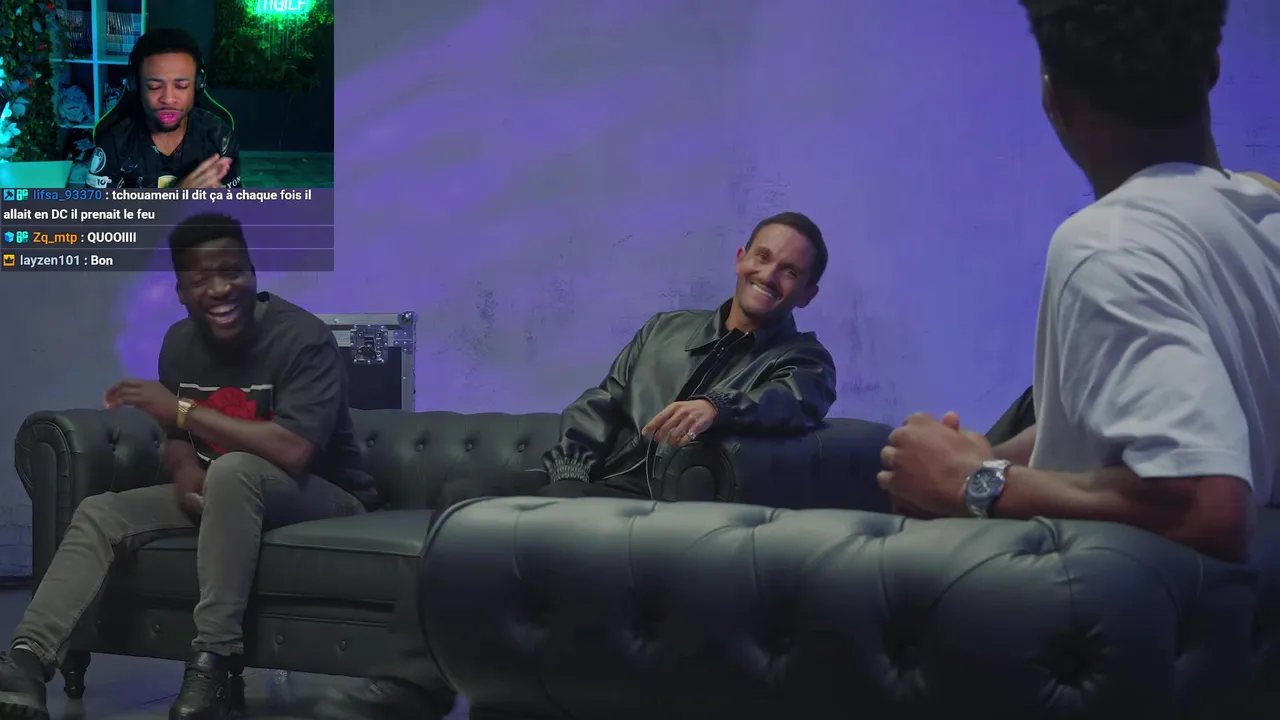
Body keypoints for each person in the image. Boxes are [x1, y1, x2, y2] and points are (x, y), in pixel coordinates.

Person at [313, 210, 840, 720]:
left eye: (789, 271)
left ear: (808, 293)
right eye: (762, 257)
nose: (769, 275)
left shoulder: (804, 360)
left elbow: (792, 400)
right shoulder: (666, 330)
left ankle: (426, 692)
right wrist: (570, 470)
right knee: (462, 499)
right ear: (740, 257)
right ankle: (410, 688)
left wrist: (717, 406)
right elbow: (601, 404)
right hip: (593, 487)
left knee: (511, 526)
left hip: (661, 509)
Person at [878, 0, 1279, 564]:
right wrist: (979, 457)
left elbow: (1207, 504)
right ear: (1212, 67)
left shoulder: (1109, 242)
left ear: (1055, 99)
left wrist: (972, 482)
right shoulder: (1264, 215)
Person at [0, 213, 378, 720]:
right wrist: (183, 472)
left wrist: (181, 410)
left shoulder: (301, 338)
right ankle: (27, 661)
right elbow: (178, 439)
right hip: (229, 492)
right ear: (180, 291)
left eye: (233, 272)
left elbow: (293, 451)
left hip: (323, 495)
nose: (220, 290)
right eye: (201, 280)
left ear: (253, 273)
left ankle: (212, 661)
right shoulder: (180, 343)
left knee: (234, 470)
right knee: (100, 512)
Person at [86, 28, 241, 190]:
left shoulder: (219, 138)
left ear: (197, 85)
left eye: (182, 86)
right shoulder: (114, 142)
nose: (168, 99)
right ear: (136, 86)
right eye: (154, 86)